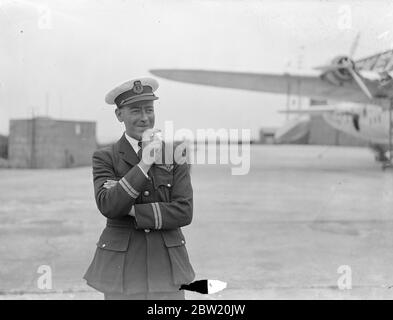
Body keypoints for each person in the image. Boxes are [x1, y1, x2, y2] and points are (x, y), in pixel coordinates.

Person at [83, 77, 195, 300]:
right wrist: (144, 163)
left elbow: (184, 211)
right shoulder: (105, 157)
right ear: (119, 115)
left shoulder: (176, 154)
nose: (145, 118)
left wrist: (130, 208)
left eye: (149, 109)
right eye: (135, 111)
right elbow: (108, 205)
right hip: (123, 270)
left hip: (167, 268)